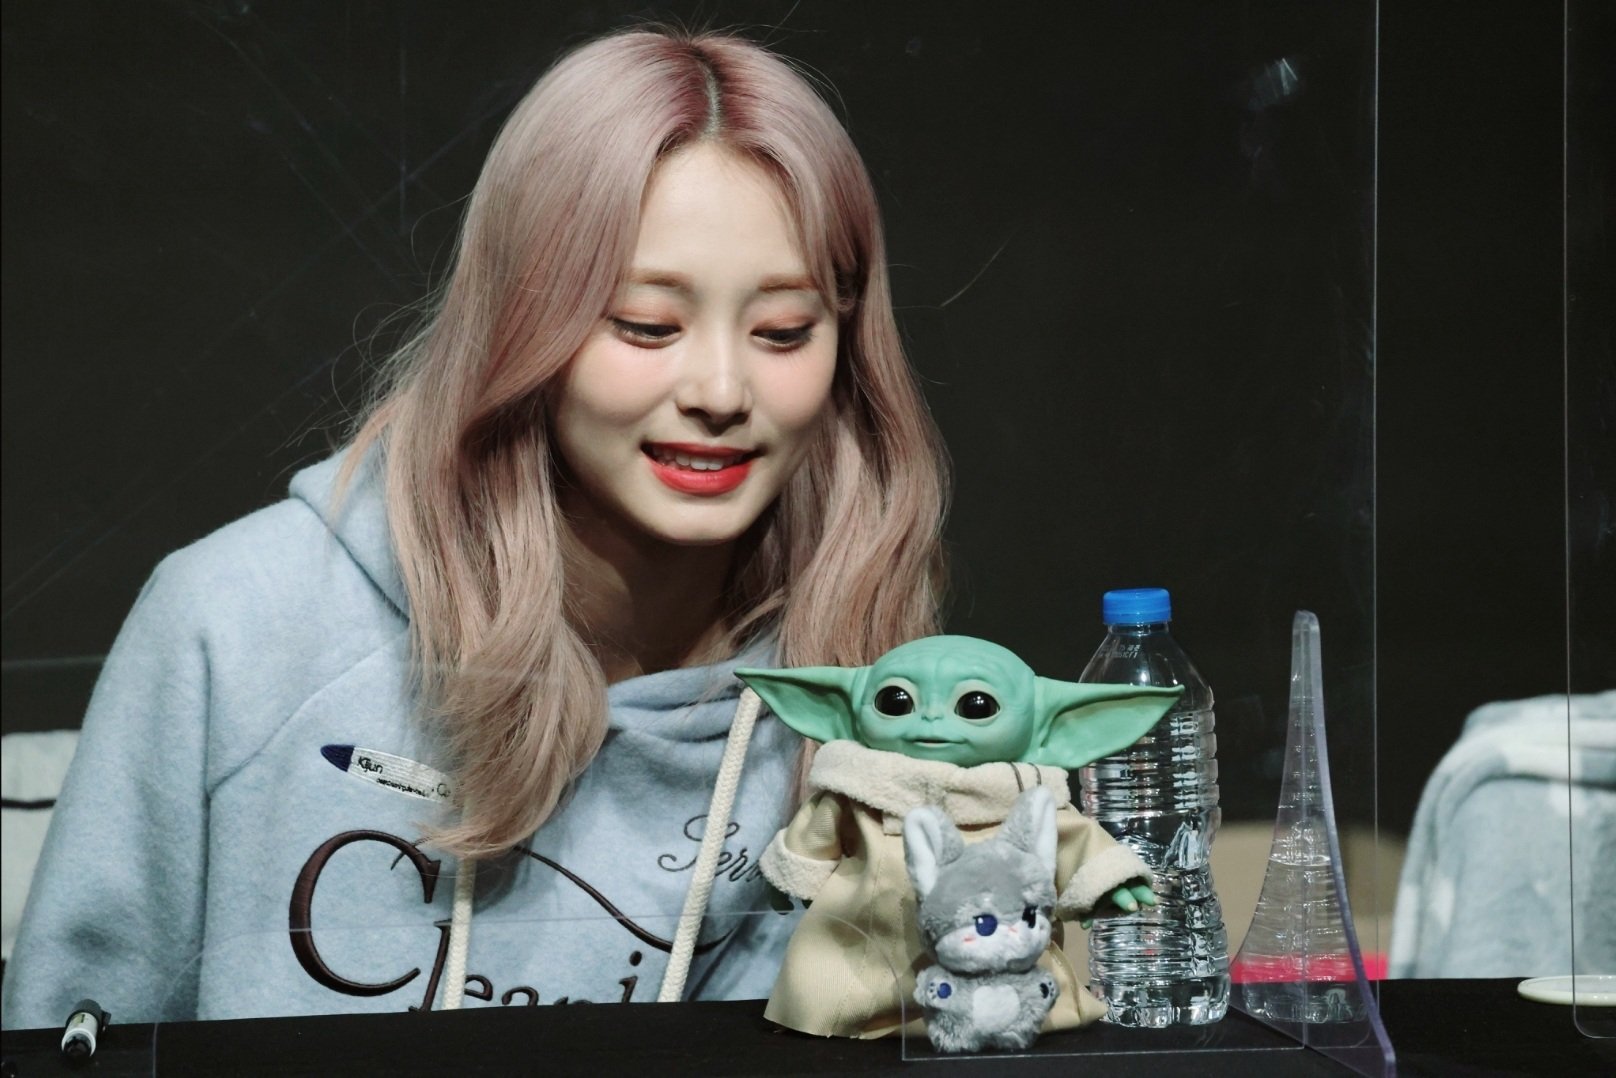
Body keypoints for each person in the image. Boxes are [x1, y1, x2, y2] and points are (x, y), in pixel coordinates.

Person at [0, 27, 949, 1028]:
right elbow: (66, 1039)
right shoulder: (239, 625)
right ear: (521, 319)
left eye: (782, 332)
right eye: (645, 324)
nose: (720, 389)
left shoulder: (873, 691)